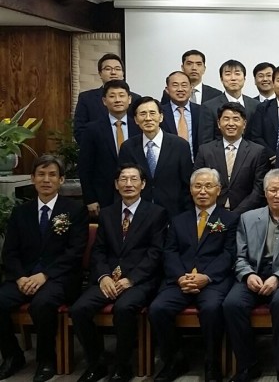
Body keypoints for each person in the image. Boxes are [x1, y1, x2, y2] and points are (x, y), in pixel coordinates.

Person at [70, 164, 169, 382]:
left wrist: (131, 279)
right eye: (123, 179)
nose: (128, 184)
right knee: (78, 309)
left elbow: (155, 253)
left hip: (139, 280)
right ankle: (97, 362)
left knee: (124, 308)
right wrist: (103, 276)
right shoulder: (107, 213)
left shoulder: (156, 213)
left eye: (134, 179)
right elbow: (98, 250)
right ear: (116, 184)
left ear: (143, 184)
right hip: (107, 279)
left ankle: (122, 365)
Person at [0, 156, 89, 382]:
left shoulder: (75, 210)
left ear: (61, 180)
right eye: (41, 174)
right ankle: (12, 355)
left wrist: (45, 275)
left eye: (52, 175)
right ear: (32, 179)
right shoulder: (21, 212)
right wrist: (20, 277)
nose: (46, 180)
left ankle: (46, 359)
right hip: (24, 277)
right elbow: (10, 252)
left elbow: (75, 252)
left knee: (42, 303)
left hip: (59, 278)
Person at [148, 168, 240, 382]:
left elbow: (230, 253)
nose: (202, 191)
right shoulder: (178, 219)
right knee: (158, 308)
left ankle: (212, 362)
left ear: (218, 190)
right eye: (197, 186)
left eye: (208, 186)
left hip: (213, 281)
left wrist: (206, 277)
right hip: (180, 280)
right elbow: (170, 251)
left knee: (211, 309)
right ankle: (174, 360)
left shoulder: (230, 219)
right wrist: (181, 276)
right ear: (190, 190)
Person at [223, 169, 279, 382]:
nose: (278, 195)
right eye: (272, 190)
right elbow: (240, 256)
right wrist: (247, 275)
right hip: (255, 274)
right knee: (232, 304)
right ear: (265, 193)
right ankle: (247, 365)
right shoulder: (247, 218)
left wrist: (278, 277)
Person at [119, 96, 193, 217]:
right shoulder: (128, 147)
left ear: (161, 117)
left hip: (173, 213)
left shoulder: (180, 145)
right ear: (136, 120)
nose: (148, 118)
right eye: (143, 114)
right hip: (139, 214)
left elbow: (187, 184)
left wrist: (186, 215)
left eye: (152, 113)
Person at [78, 80, 141, 216]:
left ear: (129, 99)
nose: (117, 100)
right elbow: (85, 166)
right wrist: (90, 199)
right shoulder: (92, 129)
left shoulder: (139, 127)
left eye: (121, 95)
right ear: (104, 101)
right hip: (103, 196)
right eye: (112, 96)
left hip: (136, 193)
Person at [194, 102, 270, 214]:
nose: (231, 123)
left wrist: (236, 214)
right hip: (212, 213)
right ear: (219, 123)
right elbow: (197, 183)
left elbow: (258, 189)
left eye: (236, 119)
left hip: (247, 214)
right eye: (226, 119)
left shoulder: (257, 152)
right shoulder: (205, 151)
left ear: (244, 124)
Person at [74, 54, 140, 142]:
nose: (113, 72)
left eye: (117, 69)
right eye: (108, 69)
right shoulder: (86, 98)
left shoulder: (136, 99)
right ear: (100, 73)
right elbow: (80, 131)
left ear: (123, 73)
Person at [200, 59, 260, 143]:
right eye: (228, 74)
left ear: (244, 78)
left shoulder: (256, 105)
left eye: (237, 74)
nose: (233, 78)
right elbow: (206, 142)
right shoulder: (209, 107)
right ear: (221, 79)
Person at [160, 71, 203, 158]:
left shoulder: (202, 111)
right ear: (167, 90)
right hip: (169, 162)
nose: (180, 89)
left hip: (197, 162)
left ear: (191, 88)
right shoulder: (159, 113)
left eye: (184, 85)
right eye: (175, 85)